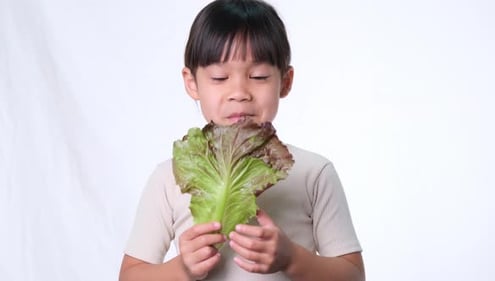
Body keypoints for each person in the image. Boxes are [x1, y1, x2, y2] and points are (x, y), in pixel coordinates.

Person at [119, 0, 365, 280]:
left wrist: (292, 258)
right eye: (219, 77)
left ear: (285, 81)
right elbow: (130, 275)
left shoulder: (314, 173)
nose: (239, 92)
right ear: (191, 83)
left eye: (258, 76)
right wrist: (182, 268)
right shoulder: (168, 177)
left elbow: (354, 275)